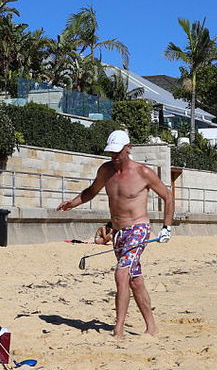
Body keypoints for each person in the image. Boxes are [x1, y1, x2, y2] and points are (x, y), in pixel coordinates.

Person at [57, 130, 174, 339]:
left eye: (117, 152)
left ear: (128, 149)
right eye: (111, 152)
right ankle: (152, 327)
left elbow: (167, 196)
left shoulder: (143, 173)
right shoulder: (106, 171)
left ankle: (118, 329)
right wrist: (72, 203)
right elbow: (91, 192)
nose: (114, 156)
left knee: (121, 274)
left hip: (139, 229)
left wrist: (167, 227)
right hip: (118, 232)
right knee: (134, 280)